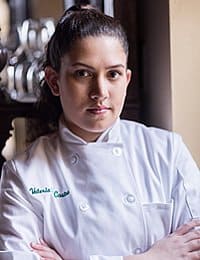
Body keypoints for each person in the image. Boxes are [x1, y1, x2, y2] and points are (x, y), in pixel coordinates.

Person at [0, 4, 200, 260]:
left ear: (126, 80)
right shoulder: (23, 175)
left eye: (113, 74)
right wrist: (152, 257)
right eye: (83, 74)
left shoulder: (167, 152)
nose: (100, 91)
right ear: (54, 81)